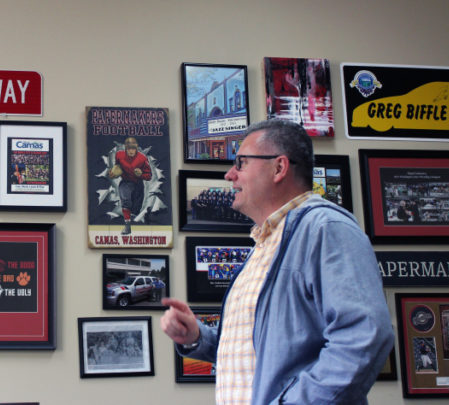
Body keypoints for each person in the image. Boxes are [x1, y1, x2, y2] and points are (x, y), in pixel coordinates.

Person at [160, 119, 393, 405]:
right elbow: (263, 349)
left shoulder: (325, 228)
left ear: (279, 168)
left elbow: (365, 335)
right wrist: (196, 336)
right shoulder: (266, 242)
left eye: (241, 163)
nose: (230, 175)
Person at [108, 136, 152, 235]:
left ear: (136, 148)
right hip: (126, 182)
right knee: (126, 201)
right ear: (125, 148)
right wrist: (113, 174)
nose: (131, 151)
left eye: (133, 148)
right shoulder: (119, 155)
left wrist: (141, 174)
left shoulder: (142, 158)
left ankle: (138, 218)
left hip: (138, 184)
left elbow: (149, 176)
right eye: (129, 148)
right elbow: (117, 168)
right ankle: (127, 227)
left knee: (136, 209)